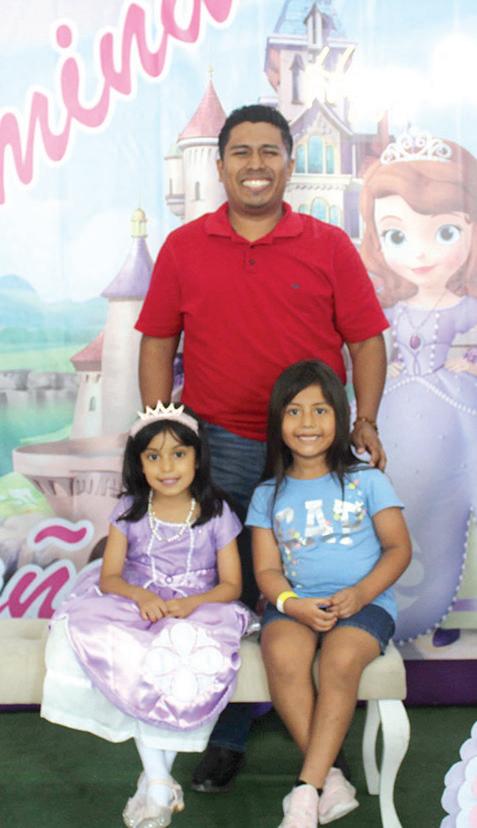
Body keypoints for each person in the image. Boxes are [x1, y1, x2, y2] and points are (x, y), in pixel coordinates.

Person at [136, 103, 390, 791]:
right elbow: (157, 342)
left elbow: (366, 340)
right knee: (228, 593)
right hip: (219, 445)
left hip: (313, 451)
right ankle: (227, 736)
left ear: (288, 163)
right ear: (220, 165)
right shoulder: (184, 246)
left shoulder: (329, 245)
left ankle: (320, 744)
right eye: (241, 152)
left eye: (269, 151)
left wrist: (364, 420)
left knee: (313, 580)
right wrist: (162, 430)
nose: (255, 165)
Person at [41, 401, 251, 828]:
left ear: (198, 458)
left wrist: (191, 604)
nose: (166, 467)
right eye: (153, 456)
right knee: (117, 647)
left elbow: (231, 585)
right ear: (139, 463)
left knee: (183, 657)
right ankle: (158, 781)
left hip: (198, 606)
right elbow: (110, 577)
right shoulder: (130, 509)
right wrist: (140, 596)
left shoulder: (216, 512)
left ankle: (155, 783)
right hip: (136, 600)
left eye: (178, 454)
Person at [247, 360, 411, 827]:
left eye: (320, 410)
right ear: (278, 421)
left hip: (364, 604)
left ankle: (305, 791)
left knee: (339, 660)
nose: (308, 423)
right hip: (297, 604)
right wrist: (291, 605)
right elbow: (266, 570)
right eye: (294, 411)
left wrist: (360, 594)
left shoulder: (367, 480)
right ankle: (331, 778)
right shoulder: (267, 494)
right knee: (281, 654)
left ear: (341, 417)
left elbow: (399, 549)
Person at [360, 131, 477, 644]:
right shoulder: (388, 312)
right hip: (395, 407)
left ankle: (447, 607)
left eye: (445, 232)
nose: (420, 252)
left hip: (454, 408)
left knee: (450, 499)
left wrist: (467, 363)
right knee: (386, 495)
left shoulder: (467, 308)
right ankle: (385, 602)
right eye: (397, 235)